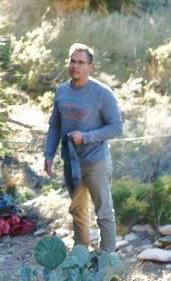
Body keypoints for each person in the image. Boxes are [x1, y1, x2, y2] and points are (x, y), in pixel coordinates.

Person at [44, 43, 123, 252]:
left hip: (96, 162)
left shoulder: (102, 94)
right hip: (72, 163)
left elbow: (116, 127)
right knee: (78, 211)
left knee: (104, 213)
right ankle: (80, 258)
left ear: (91, 67)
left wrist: (86, 137)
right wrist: (48, 154)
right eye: (72, 61)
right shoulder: (62, 91)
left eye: (81, 62)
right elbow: (55, 126)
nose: (75, 66)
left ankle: (108, 262)